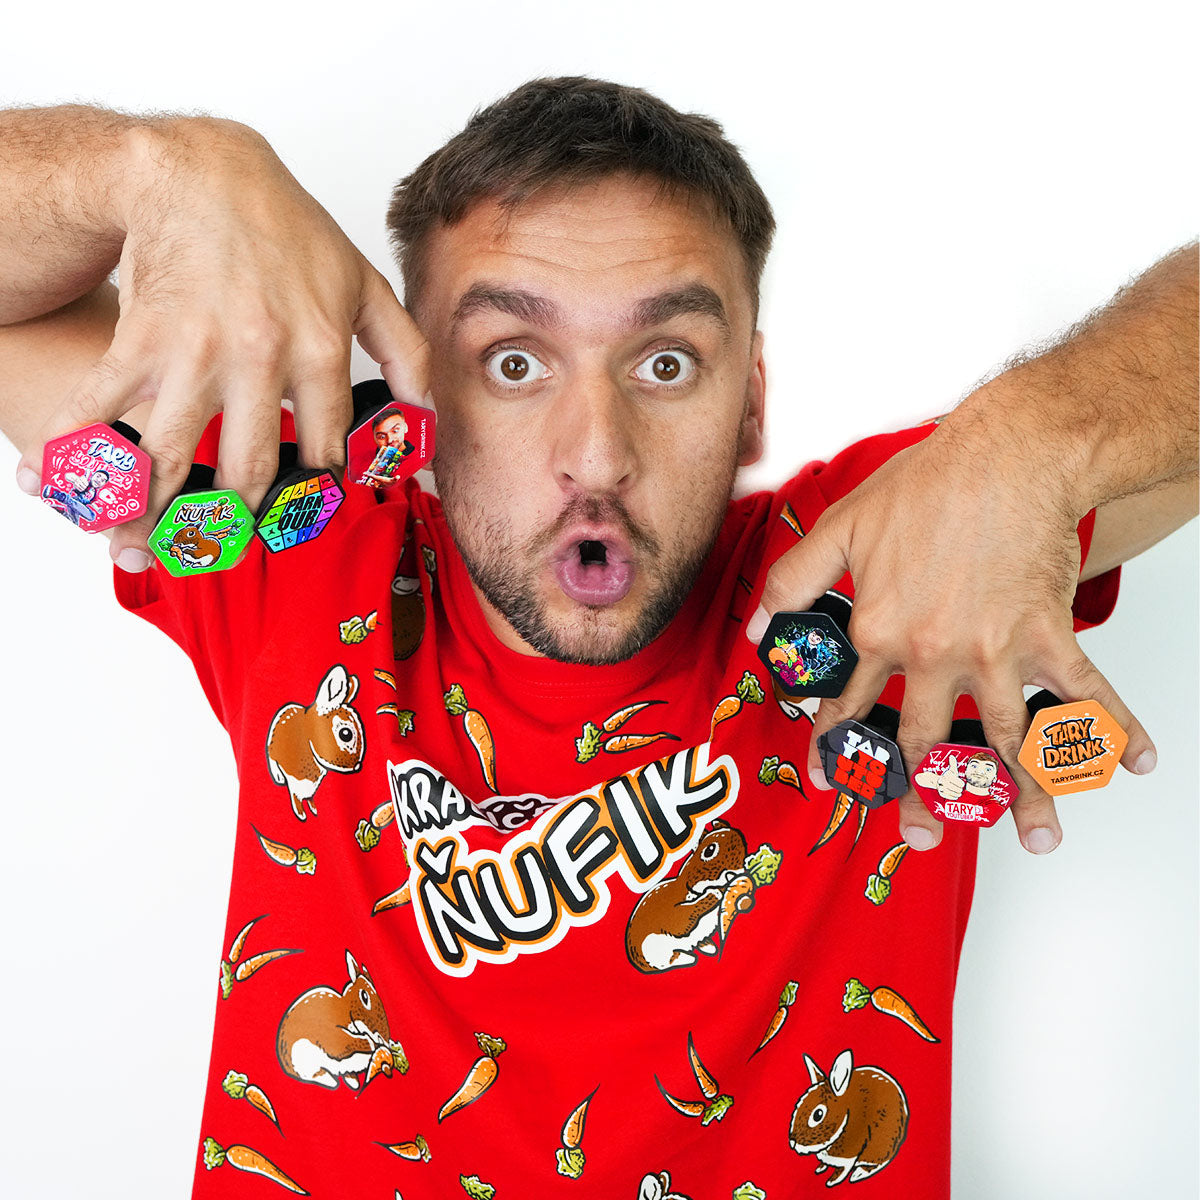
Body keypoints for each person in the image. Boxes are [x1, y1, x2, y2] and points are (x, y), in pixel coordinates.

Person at [0, 77, 1195, 1198]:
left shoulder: (884, 579)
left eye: (666, 363)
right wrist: (159, 167)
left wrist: (1030, 445)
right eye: (514, 361)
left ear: (750, 403)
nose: (597, 454)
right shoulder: (296, 541)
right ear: (418, 395)